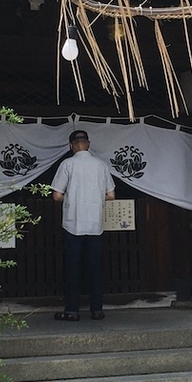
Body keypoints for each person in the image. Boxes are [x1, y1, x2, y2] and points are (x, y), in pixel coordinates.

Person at [50, 129, 115, 321]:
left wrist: (74, 197)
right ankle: (97, 309)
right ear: (88, 143)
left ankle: (72, 310)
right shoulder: (101, 165)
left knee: (72, 267)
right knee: (95, 267)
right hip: (95, 224)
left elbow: (57, 195)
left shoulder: (67, 164)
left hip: (73, 224)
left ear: (71, 146)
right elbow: (111, 195)